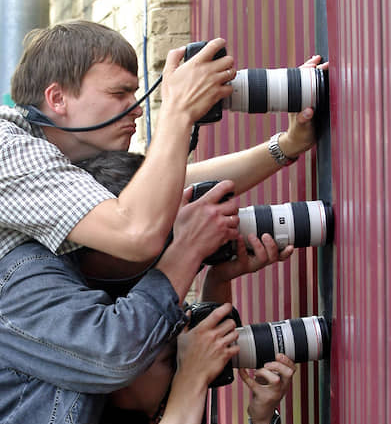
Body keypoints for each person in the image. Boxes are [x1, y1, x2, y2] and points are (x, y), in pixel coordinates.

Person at [0, 150, 290, 424]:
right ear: (114, 378)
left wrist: (263, 419)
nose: (177, 353)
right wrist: (191, 375)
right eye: (168, 355)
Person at [0, 19, 326, 265]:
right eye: (119, 94)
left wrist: (286, 145)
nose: (138, 108)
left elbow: (168, 189)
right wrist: (178, 110)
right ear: (57, 98)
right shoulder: (8, 152)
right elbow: (135, 232)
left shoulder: (57, 157)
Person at [86, 239, 296, 424]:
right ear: (122, 370)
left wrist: (264, 422)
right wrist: (192, 374)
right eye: (170, 359)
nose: (180, 368)